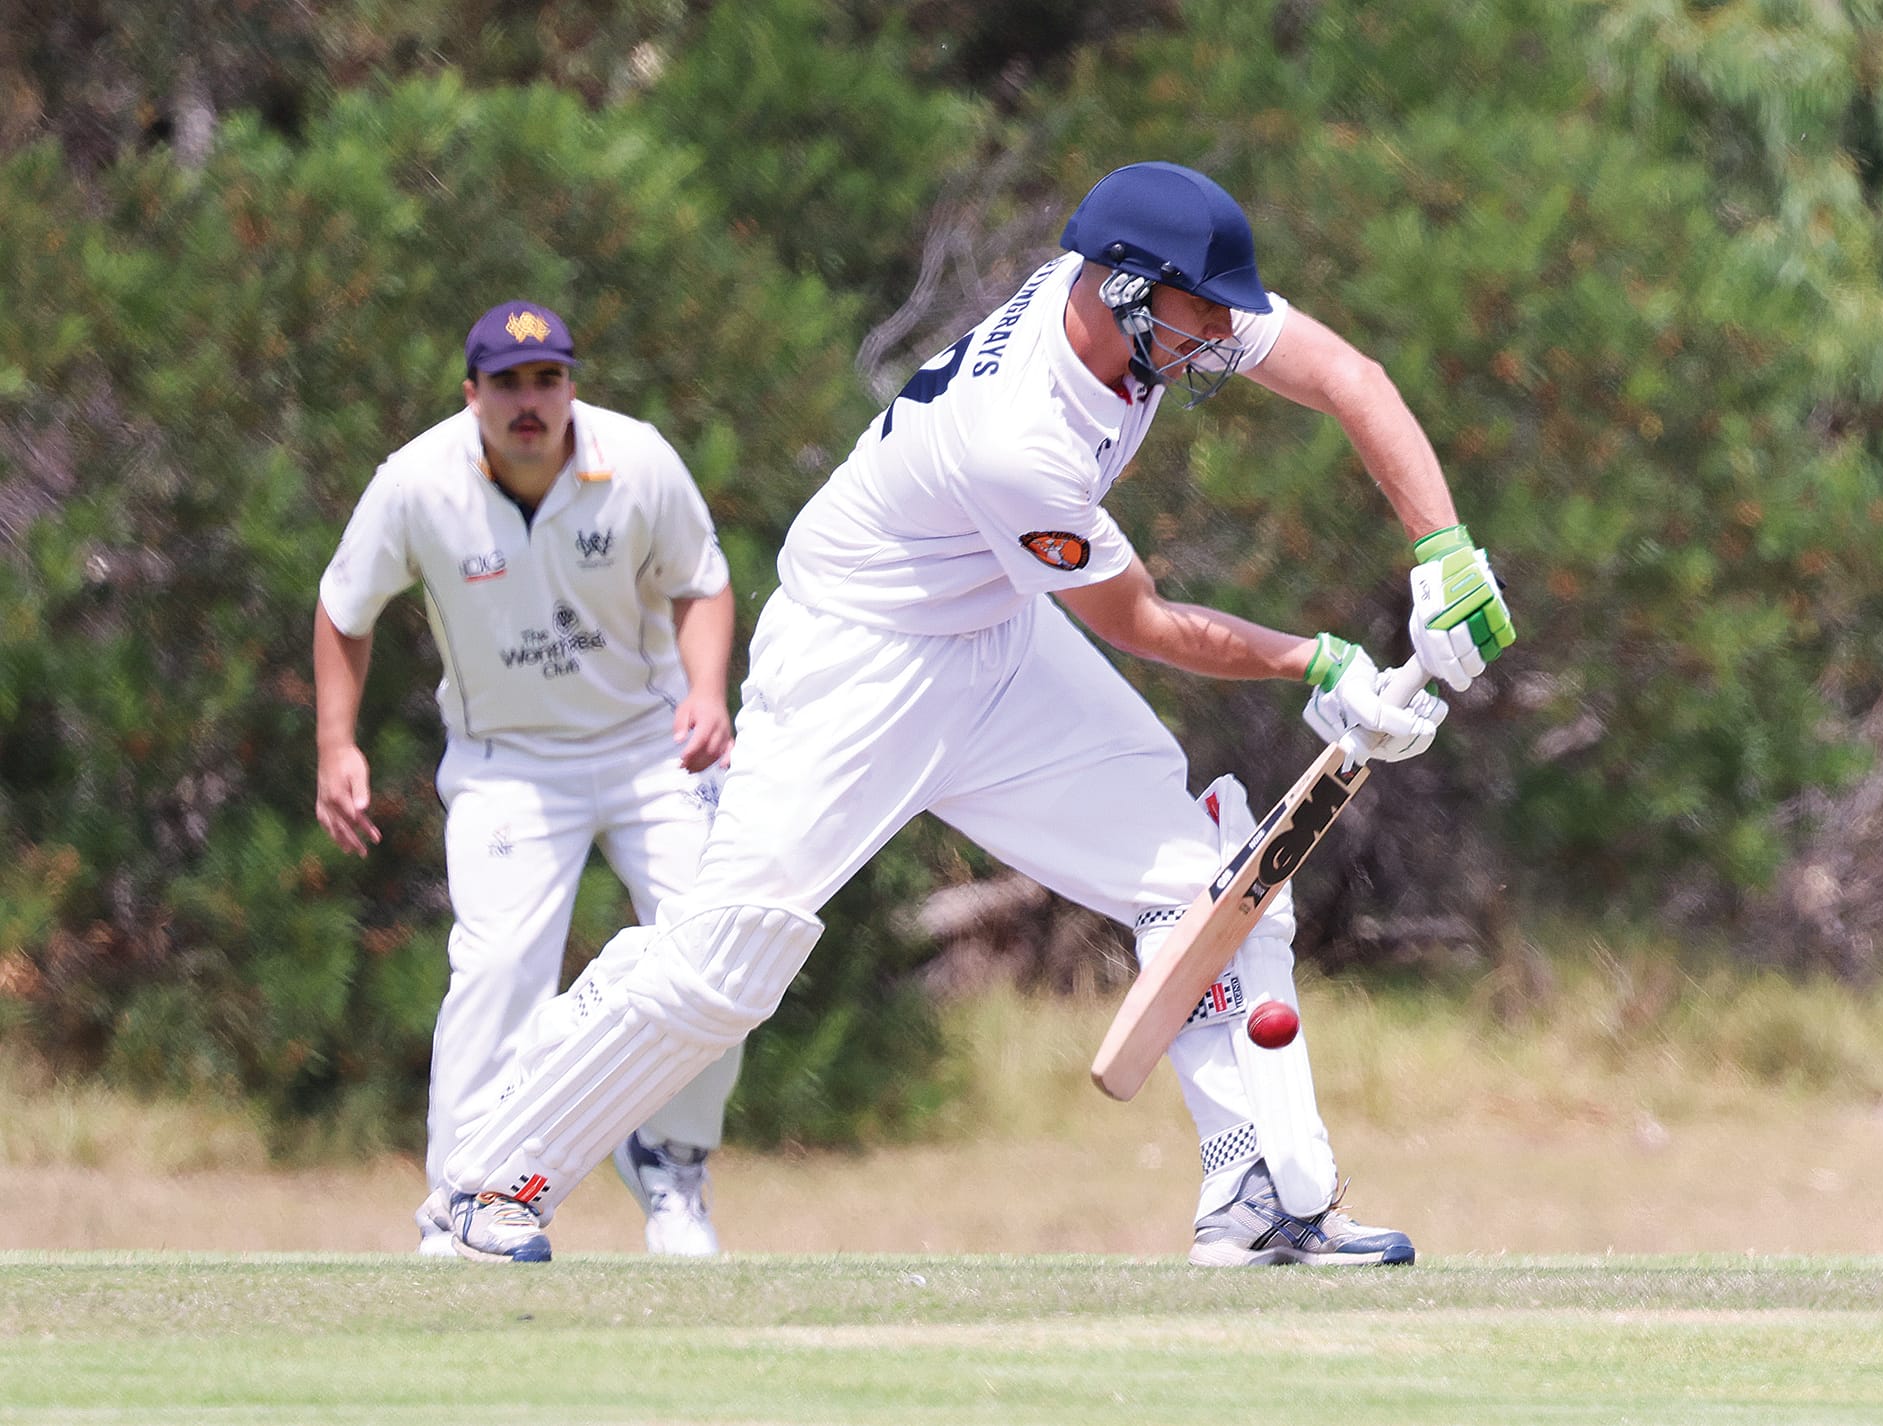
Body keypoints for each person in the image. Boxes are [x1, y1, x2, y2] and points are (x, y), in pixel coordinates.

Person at [426, 163, 1516, 1265]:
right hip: (860, 656)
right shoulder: (1019, 438)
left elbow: (1348, 375)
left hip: (990, 633)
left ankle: (1262, 1193)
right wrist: (1318, 660)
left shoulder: (1155, 300)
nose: (1224, 330)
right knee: (727, 958)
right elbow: (1136, 620)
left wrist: (1444, 551)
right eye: (1201, 310)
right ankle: (485, 1185)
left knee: (1207, 883)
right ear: (1127, 293)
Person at [313, 300, 747, 1258]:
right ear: (473, 395)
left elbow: (703, 582)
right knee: (501, 971)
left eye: (546, 379)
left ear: (570, 388)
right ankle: (460, 1204)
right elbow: (345, 606)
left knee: (722, 953)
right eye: (506, 383)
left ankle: (668, 1158)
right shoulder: (417, 483)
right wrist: (337, 746)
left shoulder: (635, 461)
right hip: (510, 764)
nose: (528, 400)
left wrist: (709, 691)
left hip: (651, 744)